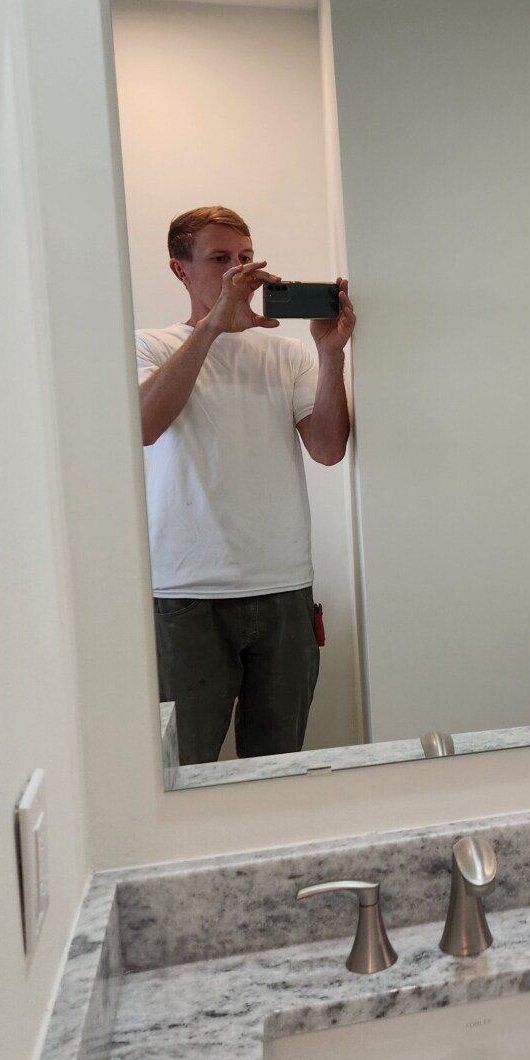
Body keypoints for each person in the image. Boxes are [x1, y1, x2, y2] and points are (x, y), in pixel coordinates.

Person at [134, 205, 356, 762]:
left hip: (283, 587)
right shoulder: (150, 346)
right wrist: (212, 328)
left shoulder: (288, 353)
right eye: (219, 259)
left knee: (278, 763)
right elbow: (142, 426)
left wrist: (330, 355)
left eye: (245, 256)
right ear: (180, 269)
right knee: (184, 768)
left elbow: (328, 448)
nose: (240, 271)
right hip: (186, 592)